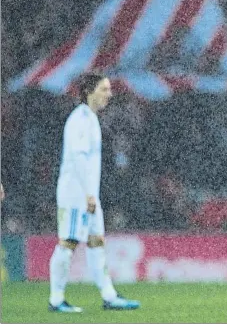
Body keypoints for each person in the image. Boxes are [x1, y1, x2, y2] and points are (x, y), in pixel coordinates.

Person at [48, 72, 140, 313]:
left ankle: (109, 295)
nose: (109, 94)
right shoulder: (80, 119)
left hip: (89, 195)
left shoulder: (91, 118)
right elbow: (78, 158)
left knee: (97, 242)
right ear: (89, 91)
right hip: (76, 194)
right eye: (104, 89)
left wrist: (92, 194)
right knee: (68, 243)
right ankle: (56, 299)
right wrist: (88, 194)